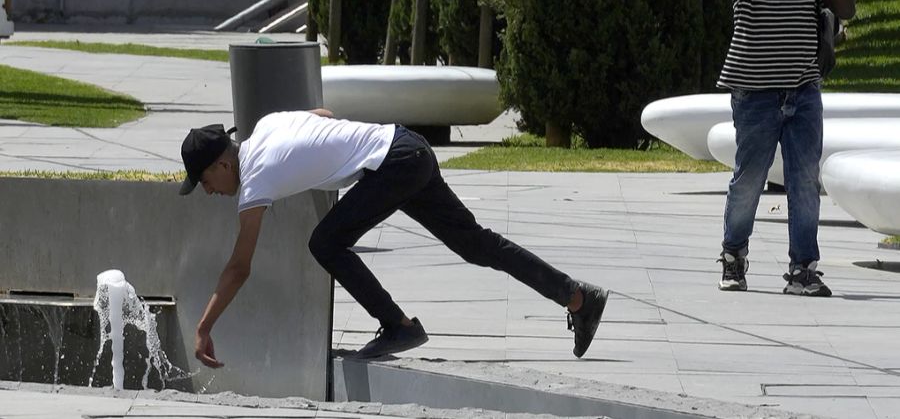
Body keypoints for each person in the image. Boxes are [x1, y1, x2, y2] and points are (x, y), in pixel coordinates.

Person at [179, 109, 609, 367]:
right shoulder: (268, 125)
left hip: (396, 164)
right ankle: (578, 298)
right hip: (407, 146)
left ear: (222, 164)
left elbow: (239, 266)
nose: (208, 191)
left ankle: (397, 326)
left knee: (324, 242)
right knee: (476, 245)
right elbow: (324, 115)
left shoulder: (254, 180)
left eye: (203, 181)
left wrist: (203, 328)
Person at [716, 0, 856, 296]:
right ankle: (733, 256)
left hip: (803, 92)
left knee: (804, 181)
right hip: (756, 94)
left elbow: (846, 6)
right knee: (749, 181)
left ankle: (802, 269)